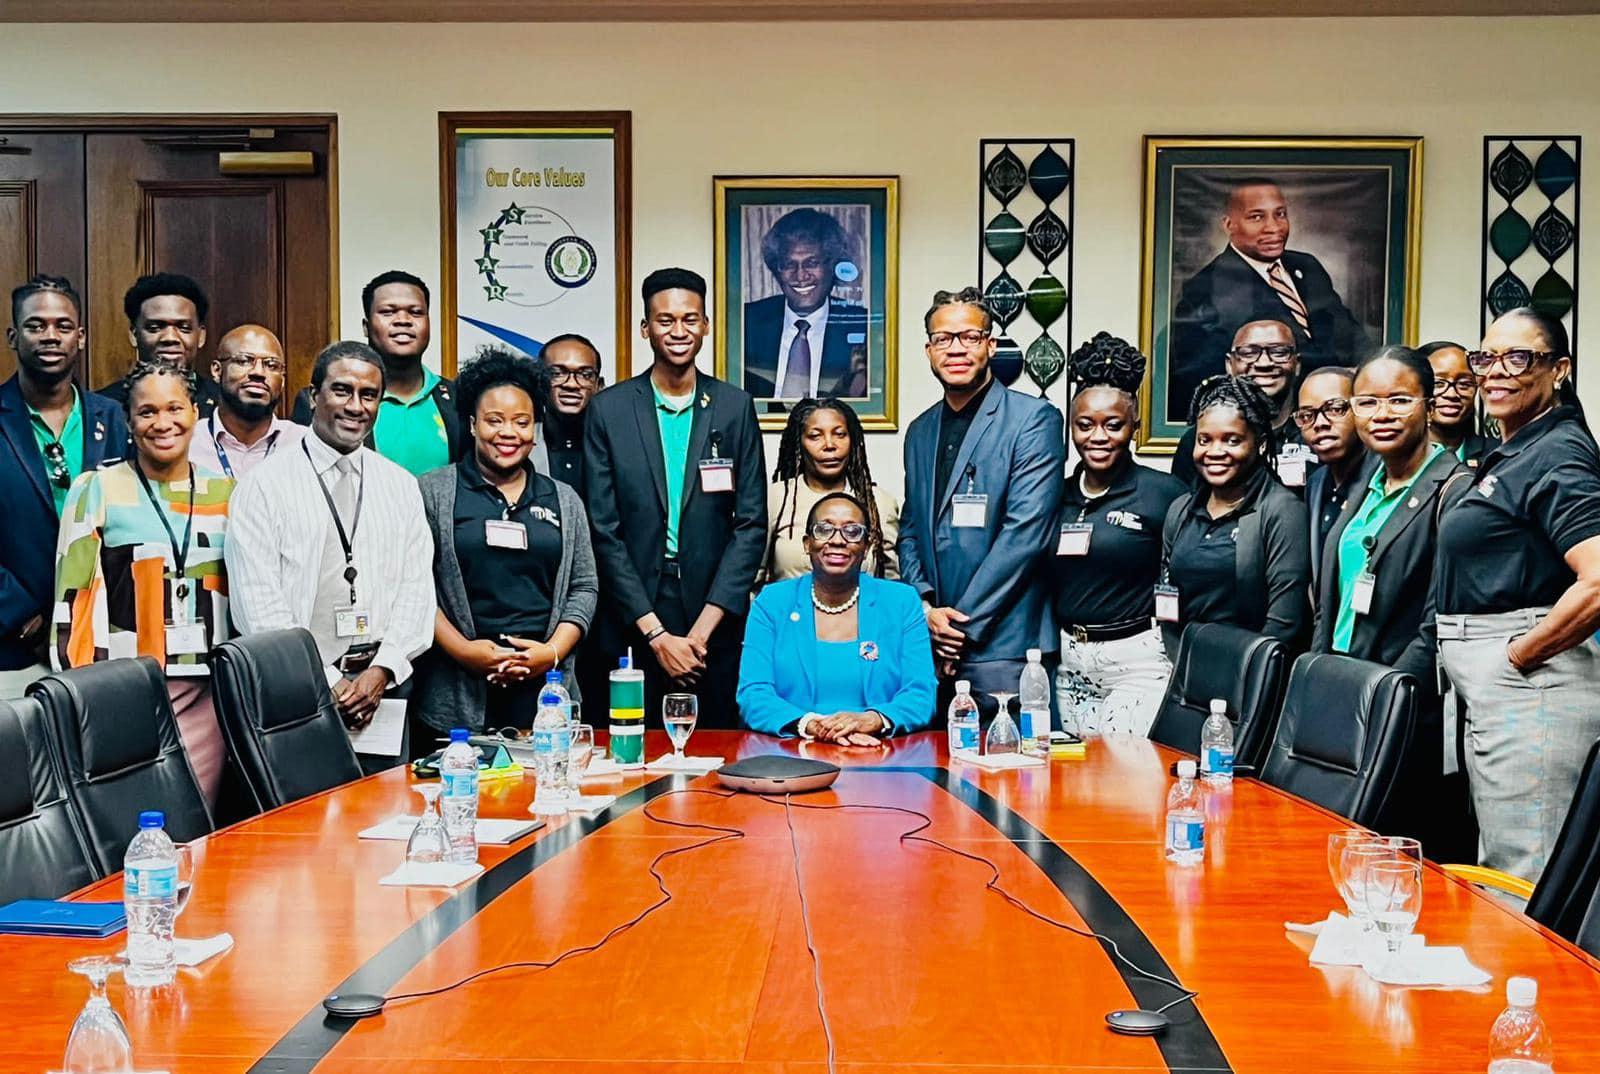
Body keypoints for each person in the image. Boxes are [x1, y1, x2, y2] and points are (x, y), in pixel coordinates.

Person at [1434, 308, 1600, 882]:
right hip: (1501, 688)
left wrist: (1516, 658)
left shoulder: (1559, 452)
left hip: (1533, 689)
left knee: (1522, 876)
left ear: (1560, 369)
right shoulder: (1522, 448)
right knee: (1501, 867)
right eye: (1486, 358)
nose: (1496, 371)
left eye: (1518, 357)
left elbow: (1598, 579)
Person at [227, 340, 434, 772]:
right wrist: (329, 680)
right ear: (313, 396)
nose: (355, 406)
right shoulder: (264, 486)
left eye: (369, 395)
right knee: (306, 812)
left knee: (384, 811)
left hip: (382, 693)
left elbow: (417, 591)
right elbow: (257, 607)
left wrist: (382, 671)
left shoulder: (400, 486)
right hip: (297, 693)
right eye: (342, 390)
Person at [584, 268, 767, 727]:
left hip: (714, 612)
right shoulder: (609, 410)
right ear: (645, 328)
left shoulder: (734, 407)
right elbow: (603, 531)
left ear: (706, 325)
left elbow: (750, 525)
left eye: (690, 319)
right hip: (634, 612)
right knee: (630, 750)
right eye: (665, 321)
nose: (679, 331)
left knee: (718, 750)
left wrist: (700, 634)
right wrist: (657, 635)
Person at [52, 362, 232, 807]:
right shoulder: (98, 489)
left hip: (207, 694)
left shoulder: (228, 493)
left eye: (174, 408)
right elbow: (72, 604)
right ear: (129, 421)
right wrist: (85, 696)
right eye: (147, 412)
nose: (162, 422)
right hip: (124, 692)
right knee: (133, 820)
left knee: (197, 821)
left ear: (195, 413)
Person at [414, 347, 597, 736]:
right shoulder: (433, 492)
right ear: (472, 425)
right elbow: (415, 587)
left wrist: (550, 653)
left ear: (535, 429)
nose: (508, 433)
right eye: (494, 420)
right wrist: (465, 652)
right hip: (458, 691)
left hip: (546, 691)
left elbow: (584, 586)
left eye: (522, 422)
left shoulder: (564, 499)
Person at [899, 287, 1064, 715]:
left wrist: (960, 628)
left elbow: (1026, 536)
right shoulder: (919, 431)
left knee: (1014, 760)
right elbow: (911, 530)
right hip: (931, 647)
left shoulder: (1033, 420)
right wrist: (925, 608)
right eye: (943, 338)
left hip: (1008, 650)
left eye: (969, 337)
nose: (956, 349)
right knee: (932, 759)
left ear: (991, 345)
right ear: (928, 350)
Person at [1052, 333, 1185, 736]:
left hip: (1136, 661)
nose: (1098, 437)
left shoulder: (1163, 493)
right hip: (1069, 662)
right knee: (1073, 771)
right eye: (1085, 425)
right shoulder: (1055, 494)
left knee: (1121, 766)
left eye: (1113, 425)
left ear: (1135, 426)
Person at [1, 276, 128, 698]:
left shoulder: (113, 418)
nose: (50, 336)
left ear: (81, 337)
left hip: (104, 643)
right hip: (15, 647)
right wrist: (23, 615)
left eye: (63, 325)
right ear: (13, 337)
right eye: (36, 325)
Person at [1168, 177, 1370, 421]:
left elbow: (1351, 335)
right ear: (1229, 225)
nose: (1273, 227)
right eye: (1256, 217)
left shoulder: (1307, 266)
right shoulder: (1205, 287)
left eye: (1280, 214)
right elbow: (1199, 376)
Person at [739, 492, 934, 741]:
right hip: (792, 751)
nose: (838, 540)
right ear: (807, 543)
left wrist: (872, 720)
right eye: (824, 529)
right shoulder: (772, 602)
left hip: (879, 750)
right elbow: (753, 694)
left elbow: (921, 693)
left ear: (867, 546)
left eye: (852, 531)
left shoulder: (902, 601)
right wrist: (814, 726)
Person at [1160, 375, 1312, 658]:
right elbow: (1167, 603)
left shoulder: (1283, 511)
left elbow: (1284, 625)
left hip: (1252, 670)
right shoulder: (1180, 511)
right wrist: (1180, 665)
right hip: (1185, 667)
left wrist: (1238, 673)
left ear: (1261, 444)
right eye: (1204, 440)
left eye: (1232, 440)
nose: (1215, 452)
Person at [292, 271, 459, 475]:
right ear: (366, 326)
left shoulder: (458, 399)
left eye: (416, 312)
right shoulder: (322, 400)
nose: (403, 320)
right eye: (388, 312)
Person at [763, 397, 899, 582]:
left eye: (840, 434)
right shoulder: (776, 498)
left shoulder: (879, 503)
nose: (829, 445)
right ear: (799, 443)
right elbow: (753, 576)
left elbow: (891, 581)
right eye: (815, 436)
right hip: (788, 601)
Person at [742, 208, 869, 400]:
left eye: (812, 263)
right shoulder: (747, 322)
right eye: (789, 264)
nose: (800, 276)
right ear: (777, 270)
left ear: (832, 266)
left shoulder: (862, 325)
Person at [1170, 319, 1312, 489]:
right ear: (1229, 364)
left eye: (1279, 352)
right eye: (1249, 353)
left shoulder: (1315, 433)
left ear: (1297, 364)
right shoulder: (1198, 441)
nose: (1264, 363)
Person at [188, 324, 304, 480]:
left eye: (271, 365)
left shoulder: (304, 445)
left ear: (282, 380)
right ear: (217, 370)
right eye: (244, 361)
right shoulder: (187, 442)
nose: (258, 372)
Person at [98, 273, 222, 417]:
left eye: (184, 328)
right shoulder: (102, 407)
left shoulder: (224, 405)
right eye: (155, 328)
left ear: (201, 336)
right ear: (134, 335)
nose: (170, 337)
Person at [1296, 367, 1376, 583]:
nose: (1320, 423)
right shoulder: (1315, 483)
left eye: (1335, 409)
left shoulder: (1385, 478)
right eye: (1306, 415)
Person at [532, 332, 603, 493]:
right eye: (557, 373)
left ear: (598, 385)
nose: (571, 384)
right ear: (540, 382)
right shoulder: (519, 443)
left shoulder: (615, 447)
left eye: (585, 375)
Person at [1421, 340, 1494, 466]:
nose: (1452, 394)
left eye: (1464, 384)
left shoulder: (1496, 456)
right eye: (1438, 383)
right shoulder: (1393, 455)